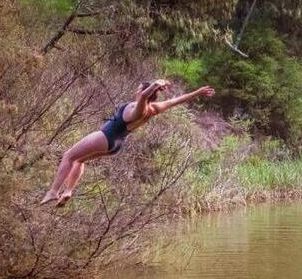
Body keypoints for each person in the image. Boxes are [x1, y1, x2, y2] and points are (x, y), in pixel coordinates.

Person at [41, 80, 215, 206]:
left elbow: (143, 98)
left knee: (68, 156)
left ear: (142, 93)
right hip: (115, 145)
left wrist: (154, 85)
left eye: (139, 89)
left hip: (105, 137)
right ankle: (68, 191)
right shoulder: (154, 109)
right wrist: (198, 92)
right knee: (79, 160)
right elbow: (176, 100)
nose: (137, 89)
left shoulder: (138, 108)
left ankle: (53, 192)